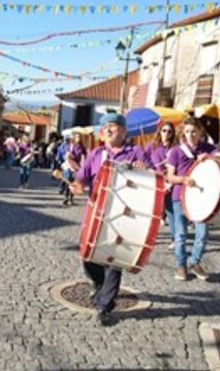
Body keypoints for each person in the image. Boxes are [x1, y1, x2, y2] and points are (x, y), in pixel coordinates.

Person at [70, 113, 153, 327]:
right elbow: (82, 177)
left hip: (124, 215)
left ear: (124, 132)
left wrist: (147, 171)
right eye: (106, 127)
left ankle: (105, 306)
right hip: (96, 213)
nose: (109, 130)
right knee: (88, 256)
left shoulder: (136, 153)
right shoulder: (96, 153)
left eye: (114, 127)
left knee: (113, 261)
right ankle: (99, 283)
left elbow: (154, 176)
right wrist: (78, 185)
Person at [167, 117, 220, 282]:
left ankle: (194, 261)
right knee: (181, 234)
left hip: (202, 198)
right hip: (180, 197)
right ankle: (181, 265)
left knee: (203, 234)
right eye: (187, 132)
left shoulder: (207, 148)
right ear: (183, 134)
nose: (191, 135)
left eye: (194, 132)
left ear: (200, 132)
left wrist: (210, 157)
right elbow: (170, 177)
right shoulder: (176, 151)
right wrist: (183, 180)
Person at [147, 122, 178, 249]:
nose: (166, 133)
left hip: (170, 184)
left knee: (171, 211)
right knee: (152, 212)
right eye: (164, 130)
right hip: (155, 181)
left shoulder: (175, 148)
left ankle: (175, 239)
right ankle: (149, 238)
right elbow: (145, 162)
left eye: (170, 131)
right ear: (159, 132)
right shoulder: (152, 147)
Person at [61, 132, 87, 206]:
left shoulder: (82, 147)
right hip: (70, 166)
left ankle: (71, 198)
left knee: (74, 183)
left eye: (79, 137)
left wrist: (83, 165)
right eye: (77, 137)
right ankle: (66, 198)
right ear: (74, 138)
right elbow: (66, 154)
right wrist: (68, 155)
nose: (78, 138)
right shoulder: (71, 146)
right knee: (68, 182)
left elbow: (84, 157)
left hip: (77, 167)